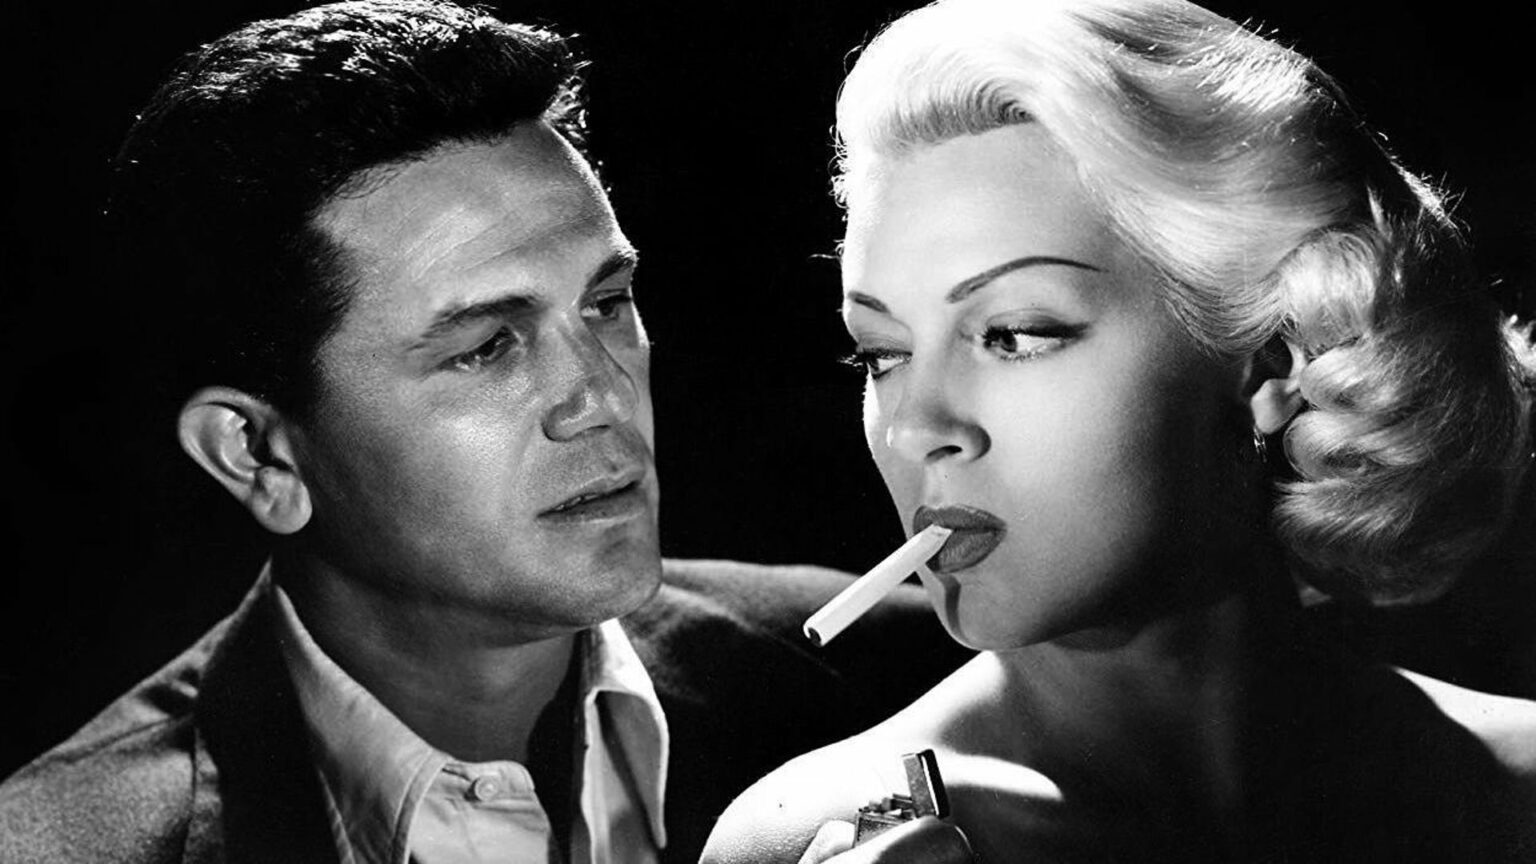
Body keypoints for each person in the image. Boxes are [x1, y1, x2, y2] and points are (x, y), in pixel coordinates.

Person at [0, 2, 968, 862]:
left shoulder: (913, 682)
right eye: (485, 348)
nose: (599, 396)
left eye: (607, 303)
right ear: (258, 456)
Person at [702, 0, 1536, 860]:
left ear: (1271, 366)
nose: (918, 426)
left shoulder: (1514, 795)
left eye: (1016, 334)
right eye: (881, 354)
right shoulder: (817, 839)